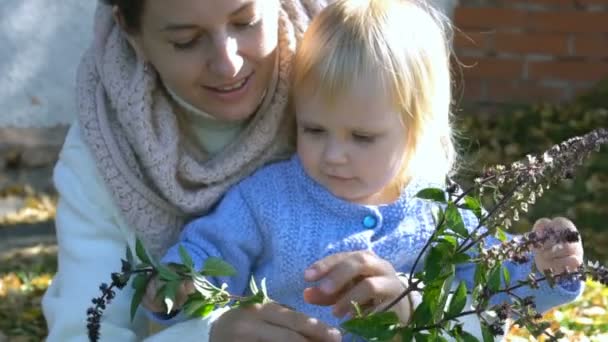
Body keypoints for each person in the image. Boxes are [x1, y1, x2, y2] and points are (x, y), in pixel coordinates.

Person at [141, 0, 585, 338]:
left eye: (362, 137)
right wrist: (177, 286)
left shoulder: (439, 213)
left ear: (415, 132)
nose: (334, 155)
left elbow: (495, 291)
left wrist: (546, 268)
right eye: (314, 129)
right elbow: (208, 257)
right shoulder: (267, 199)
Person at [42, 0, 348, 341]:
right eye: (186, 40)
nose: (227, 64)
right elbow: (84, 332)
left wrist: (408, 299)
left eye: (246, 21)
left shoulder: (363, 76)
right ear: (133, 35)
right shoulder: (105, 151)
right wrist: (202, 335)